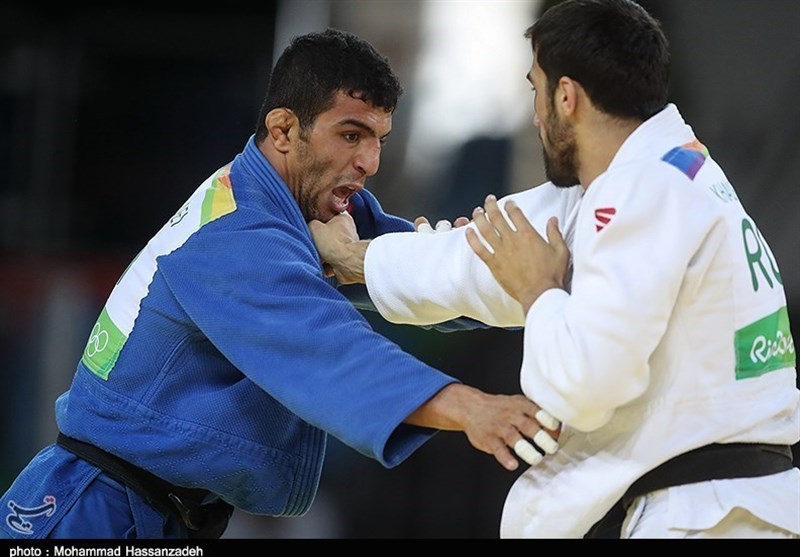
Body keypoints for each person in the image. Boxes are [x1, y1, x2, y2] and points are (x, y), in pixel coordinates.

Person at [0, 28, 560, 540]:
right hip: (91, 508)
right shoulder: (238, 231)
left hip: (161, 513)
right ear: (285, 129)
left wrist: (537, 282)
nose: (369, 161)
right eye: (350, 134)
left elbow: (421, 273)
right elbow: (331, 351)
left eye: (379, 139)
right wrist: (472, 409)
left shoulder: (311, 205)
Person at [310, 0, 799, 539]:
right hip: (714, 509)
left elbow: (584, 388)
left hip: (711, 518)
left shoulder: (646, 193)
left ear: (566, 96)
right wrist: (358, 258)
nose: (536, 114)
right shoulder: (641, 178)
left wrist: (540, 292)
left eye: (535, 88)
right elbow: (486, 253)